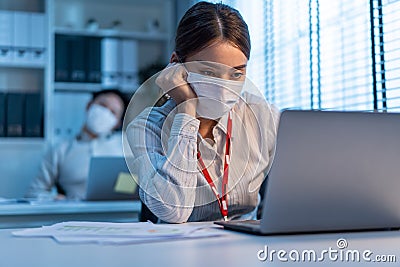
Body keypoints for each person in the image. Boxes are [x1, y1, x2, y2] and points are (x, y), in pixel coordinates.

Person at [125, 1, 279, 223]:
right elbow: (173, 212)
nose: (224, 87)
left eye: (236, 74)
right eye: (209, 72)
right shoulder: (145, 128)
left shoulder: (264, 117)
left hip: (246, 245)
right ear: (177, 65)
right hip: (176, 251)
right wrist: (186, 107)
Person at [26, 89, 128, 200]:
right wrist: (54, 199)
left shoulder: (124, 147)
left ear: (117, 123)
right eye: (102, 105)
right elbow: (33, 192)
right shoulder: (61, 149)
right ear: (89, 105)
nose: (105, 113)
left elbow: (129, 190)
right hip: (73, 214)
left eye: (113, 112)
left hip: (117, 213)